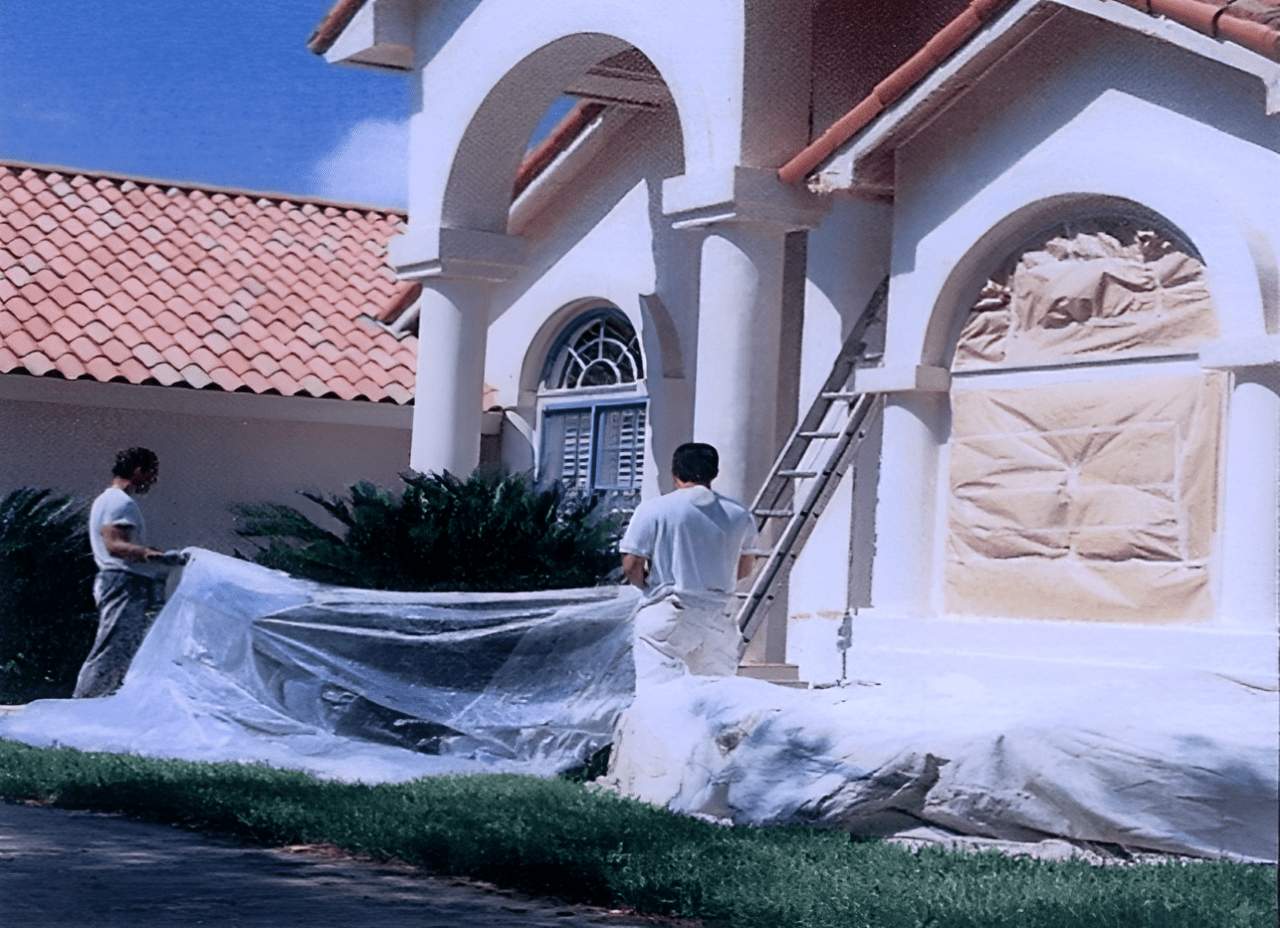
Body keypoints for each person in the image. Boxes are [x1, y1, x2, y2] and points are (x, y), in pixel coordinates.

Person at [617, 442, 758, 687]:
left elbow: (631, 563)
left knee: (659, 692)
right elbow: (745, 567)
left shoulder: (653, 510)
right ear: (714, 473)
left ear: (675, 472)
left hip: (669, 610)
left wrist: (646, 586)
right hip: (717, 616)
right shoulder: (739, 514)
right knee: (716, 695)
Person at [73, 447, 179, 698]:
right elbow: (114, 544)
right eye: (151, 472)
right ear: (138, 470)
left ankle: (103, 704)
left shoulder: (108, 500)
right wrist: (151, 555)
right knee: (112, 648)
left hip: (121, 581)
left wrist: (149, 552)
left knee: (123, 649)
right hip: (122, 583)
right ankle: (82, 706)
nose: (153, 480)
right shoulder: (120, 502)